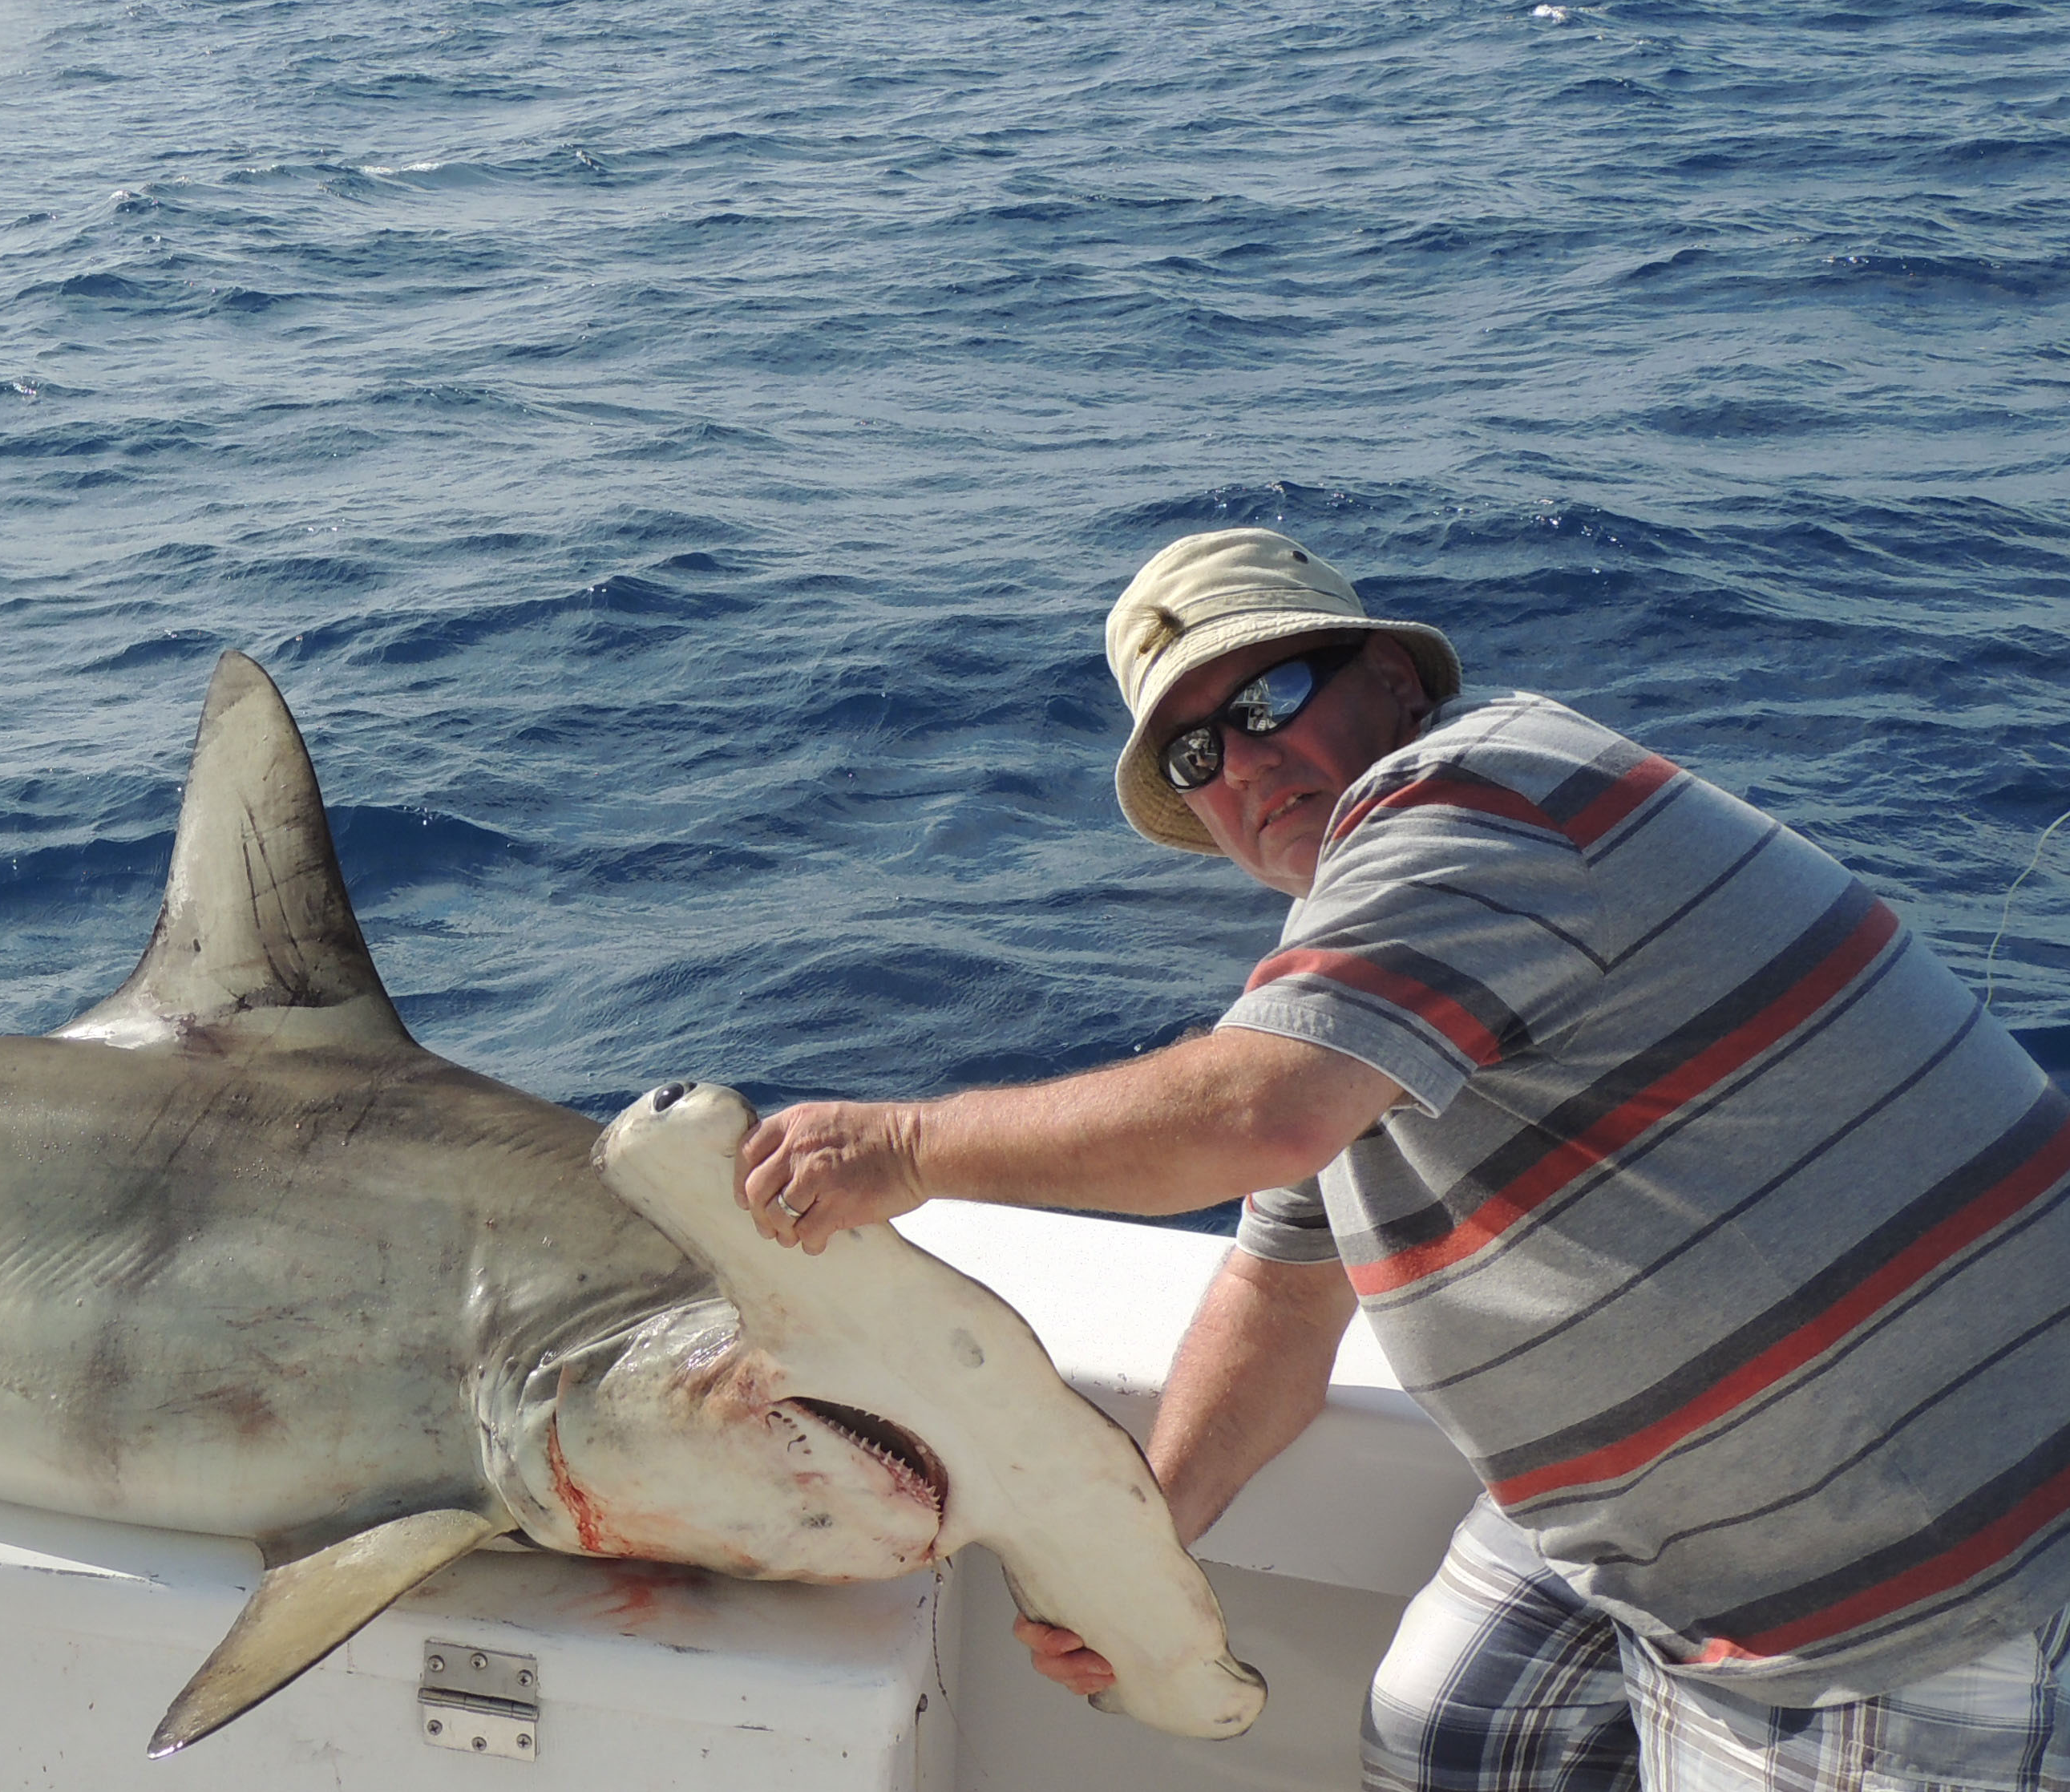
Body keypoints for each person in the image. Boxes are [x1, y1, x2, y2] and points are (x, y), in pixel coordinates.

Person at [738, 528, 2070, 1788]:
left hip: (1914, 1555)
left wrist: (905, 1146)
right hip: (1646, 1537)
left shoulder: (1477, 788)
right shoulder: (1365, 979)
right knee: (1447, 1730)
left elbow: (1258, 1116)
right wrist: (1136, 1554)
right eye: (1196, 756)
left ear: (1390, 678)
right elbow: (1278, 1301)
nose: (1241, 767)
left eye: (1264, 702)